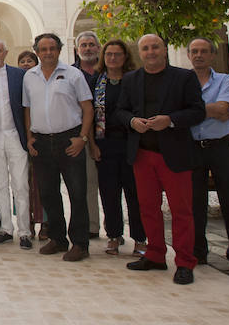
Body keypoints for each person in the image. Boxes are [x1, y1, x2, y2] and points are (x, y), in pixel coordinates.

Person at [114, 34, 205, 285]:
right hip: (143, 153)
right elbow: (121, 110)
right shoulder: (131, 79)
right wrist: (132, 122)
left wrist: (171, 120)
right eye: (145, 48)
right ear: (140, 52)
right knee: (148, 208)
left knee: (182, 211)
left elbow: (198, 111)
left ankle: (185, 262)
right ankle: (155, 254)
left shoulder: (184, 77)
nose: (150, 52)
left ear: (165, 50)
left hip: (174, 154)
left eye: (155, 47)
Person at [22, 32, 93, 262]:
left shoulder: (73, 74)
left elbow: (87, 108)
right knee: (48, 193)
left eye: (52, 48)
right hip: (42, 142)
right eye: (43, 49)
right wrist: (30, 136)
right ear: (37, 52)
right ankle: (58, 238)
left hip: (69, 140)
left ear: (59, 50)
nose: (47, 52)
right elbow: (27, 109)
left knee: (77, 193)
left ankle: (80, 243)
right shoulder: (30, 77)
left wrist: (82, 138)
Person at [187, 37, 229, 277]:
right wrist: (211, 109)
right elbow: (188, 112)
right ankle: (198, 251)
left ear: (212, 55)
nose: (199, 55)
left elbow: (224, 109)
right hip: (193, 148)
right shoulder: (184, 82)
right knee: (195, 204)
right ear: (189, 55)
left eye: (204, 51)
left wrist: (194, 111)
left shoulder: (226, 80)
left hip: (222, 147)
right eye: (194, 51)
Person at [92, 40, 146, 256]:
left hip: (131, 144)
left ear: (125, 57)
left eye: (117, 54)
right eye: (109, 55)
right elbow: (88, 112)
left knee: (135, 194)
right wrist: (93, 144)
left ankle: (140, 238)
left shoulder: (134, 80)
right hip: (105, 143)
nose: (113, 58)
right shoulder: (97, 81)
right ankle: (114, 235)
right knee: (108, 192)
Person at [0, 39, 31, 249]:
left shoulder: (19, 75)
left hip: (15, 135)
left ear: (5, 53)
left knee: (21, 185)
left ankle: (25, 232)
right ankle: (5, 228)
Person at [74, 30, 102, 239]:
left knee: (112, 186)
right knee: (87, 183)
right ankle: (91, 226)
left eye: (91, 45)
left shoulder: (106, 72)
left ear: (98, 48)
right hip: (83, 135)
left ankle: (116, 232)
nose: (88, 48)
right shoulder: (71, 74)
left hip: (110, 136)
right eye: (83, 45)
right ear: (77, 50)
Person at [17, 49, 45, 238]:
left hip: (41, 137)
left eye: (30, 61)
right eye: (23, 61)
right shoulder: (17, 82)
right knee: (22, 183)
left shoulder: (41, 81)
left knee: (42, 183)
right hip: (21, 139)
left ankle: (45, 223)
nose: (26, 64)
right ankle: (26, 223)